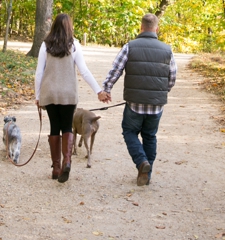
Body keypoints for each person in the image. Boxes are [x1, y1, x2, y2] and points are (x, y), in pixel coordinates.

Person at [98, 13, 177, 186]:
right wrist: (161, 92)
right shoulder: (167, 50)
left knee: (129, 132)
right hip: (156, 106)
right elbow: (172, 77)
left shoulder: (130, 47)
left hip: (134, 104)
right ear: (156, 28)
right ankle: (146, 175)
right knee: (150, 136)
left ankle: (142, 162)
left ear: (141, 28)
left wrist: (106, 89)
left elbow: (116, 70)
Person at [34, 13, 107, 183]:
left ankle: (56, 168)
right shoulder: (74, 45)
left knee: (54, 128)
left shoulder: (45, 45)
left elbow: (39, 72)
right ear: (69, 27)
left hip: (49, 93)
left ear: (54, 27)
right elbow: (84, 71)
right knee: (67, 126)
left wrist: (38, 95)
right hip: (68, 94)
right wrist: (99, 91)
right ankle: (67, 160)